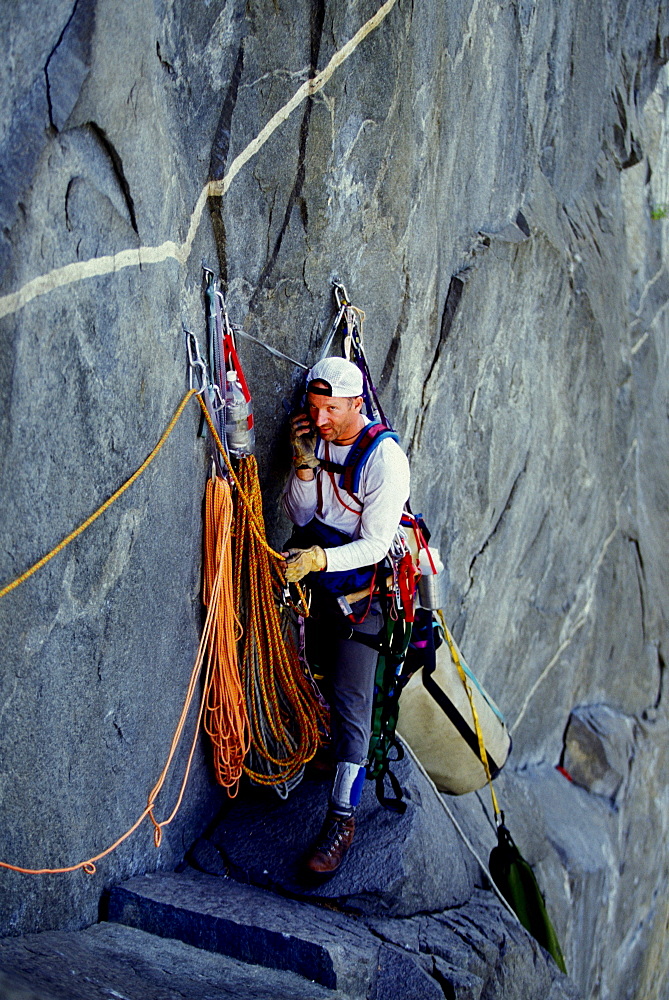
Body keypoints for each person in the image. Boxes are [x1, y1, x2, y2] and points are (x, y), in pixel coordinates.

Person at [282, 356, 410, 875]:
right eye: (313, 408)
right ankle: (307, 756)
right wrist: (305, 466)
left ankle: (341, 818)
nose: (320, 419)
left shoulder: (384, 460)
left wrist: (321, 559)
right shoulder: (316, 438)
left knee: (351, 700)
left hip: (364, 594)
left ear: (357, 404)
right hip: (320, 577)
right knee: (305, 674)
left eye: (330, 409)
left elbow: (378, 544)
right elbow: (301, 514)